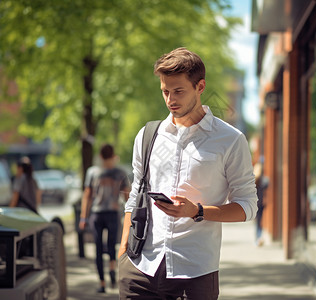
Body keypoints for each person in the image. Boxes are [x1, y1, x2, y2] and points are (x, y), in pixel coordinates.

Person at [118, 47, 258, 299]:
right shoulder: (148, 136)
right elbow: (135, 194)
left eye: (179, 91)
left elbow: (247, 207)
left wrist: (197, 211)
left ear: (200, 86)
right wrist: (123, 252)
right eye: (165, 91)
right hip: (140, 268)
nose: (171, 99)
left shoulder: (230, 140)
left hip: (195, 273)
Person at [79, 144, 131, 293]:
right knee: (111, 245)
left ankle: (102, 283)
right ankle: (112, 269)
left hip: (96, 214)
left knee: (98, 248)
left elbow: (87, 195)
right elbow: (127, 196)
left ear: (100, 156)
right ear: (113, 154)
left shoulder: (92, 172)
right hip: (113, 213)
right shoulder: (120, 172)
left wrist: (83, 217)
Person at [253, 162, 269, 246]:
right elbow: (267, 185)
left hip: (255, 204)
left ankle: (257, 239)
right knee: (260, 222)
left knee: (257, 222)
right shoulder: (263, 180)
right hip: (261, 203)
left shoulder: (253, 180)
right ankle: (258, 238)